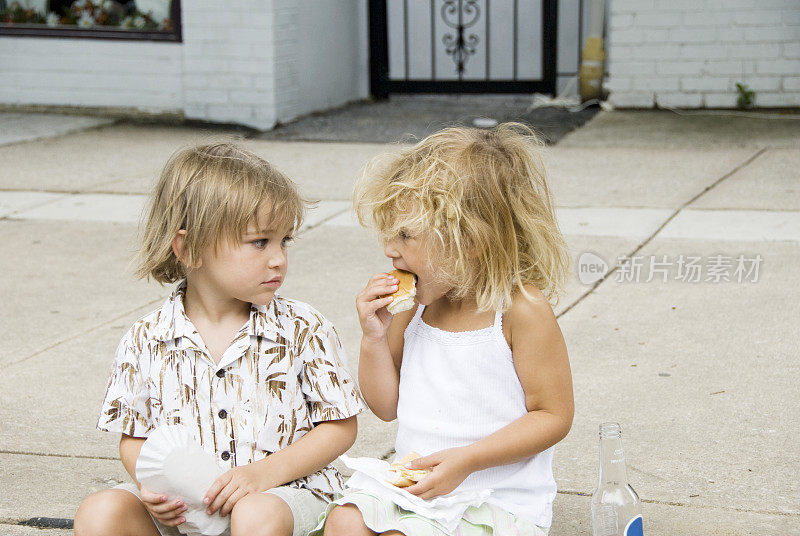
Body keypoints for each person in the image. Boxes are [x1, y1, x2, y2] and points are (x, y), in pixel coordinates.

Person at [74, 143, 365, 536]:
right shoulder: (146, 338)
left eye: (284, 241)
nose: (278, 258)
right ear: (189, 247)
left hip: (284, 495)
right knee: (100, 512)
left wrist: (263, 474)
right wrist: (150, 486)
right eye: (260, 242)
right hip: (188, 506)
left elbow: (339, 426)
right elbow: (134, 437)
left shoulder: (302, 328)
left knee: (254, 514)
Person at [316, 124, 574, 536]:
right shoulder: (413, 305)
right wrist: (374, 339)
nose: (389, 249)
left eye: (405, 235)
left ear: (468, 239)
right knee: (343, 522)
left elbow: (553, 415)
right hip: (417, 487)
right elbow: (385, 407)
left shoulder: (520, 310)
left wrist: (468, 459)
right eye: (389, 233)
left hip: (495, 497)